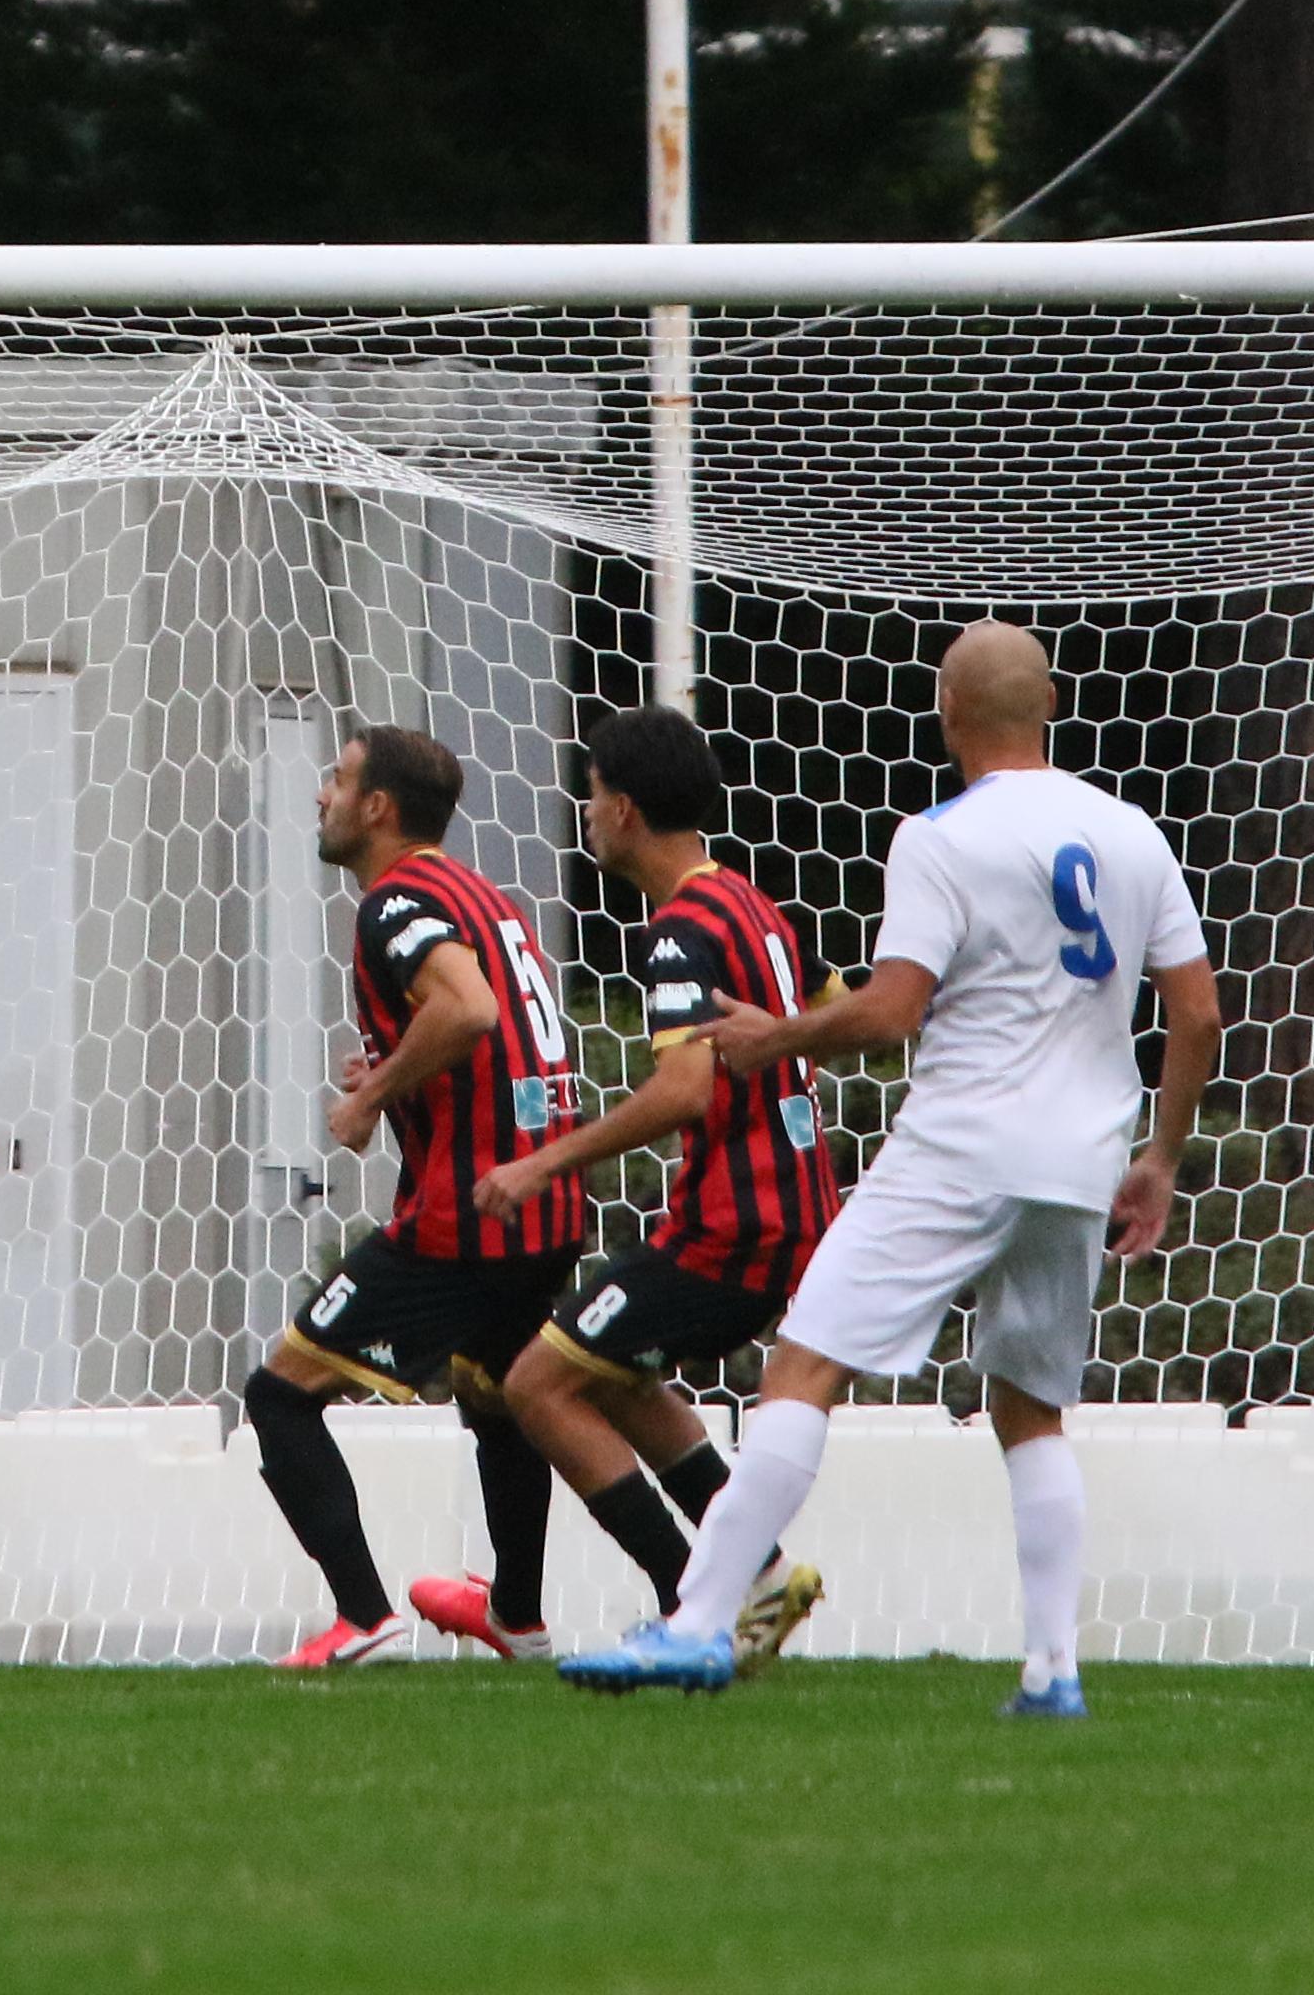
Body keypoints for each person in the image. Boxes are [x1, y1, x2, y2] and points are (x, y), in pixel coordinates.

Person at [562, 620, 1217, 1718]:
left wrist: (775, 1037)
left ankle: (700, 1623)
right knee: (1032, 1411)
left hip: (961, 1146)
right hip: (1080, 1160)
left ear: (948, 715)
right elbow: (1196, 1013)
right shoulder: (1131, 832)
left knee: (804, 1368)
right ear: (1051, 706)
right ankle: (1053, 1673)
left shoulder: (939, 837)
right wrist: (1160, 1156)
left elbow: (893, 1011)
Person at [458, 709, 825, 1660]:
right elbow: (833, 1009)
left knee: (535, 1384)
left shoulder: (680, 933)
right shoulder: (752, 905)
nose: (584, 813)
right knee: (608, 1374)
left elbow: (683, 1088)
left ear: (622, 809)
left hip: (731, 1225)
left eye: (589, 795)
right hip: (788, 1213)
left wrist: (542, 1161)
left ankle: (694, 1605)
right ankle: (759, 1573)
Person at [246, 724, 588, 1670]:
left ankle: (365, 1619)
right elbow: (492, 1027)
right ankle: (517, 1616)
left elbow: (469, 1011)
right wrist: (399, 1071)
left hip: (467, 1212)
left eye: (338, 779)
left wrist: (371, 1096)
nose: (321, 795)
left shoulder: (395, 901)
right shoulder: (484, 896)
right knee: (496, 1395)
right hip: (544, 1201)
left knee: (280, 1394)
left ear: (378, 807)